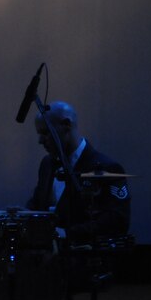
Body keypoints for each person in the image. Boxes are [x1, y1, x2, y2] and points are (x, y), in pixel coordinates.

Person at [26, 100, 131, 245]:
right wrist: (22, 216)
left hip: (85, 261)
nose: (40, 141)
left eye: (46, 133)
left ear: (66, 125)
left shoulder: (108, 169)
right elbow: (38, 204)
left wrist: (68, 234)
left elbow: (117, 221)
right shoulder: (47, 164)